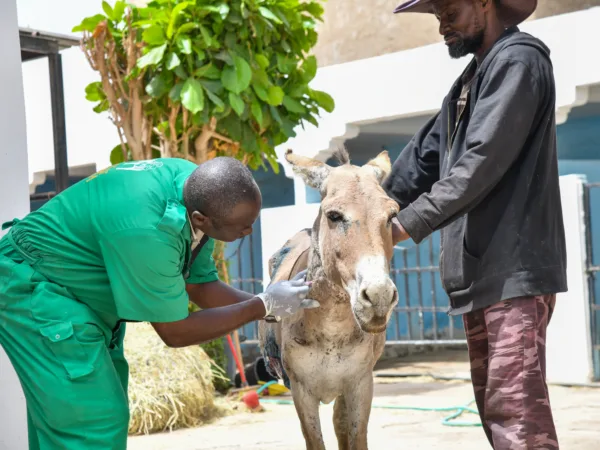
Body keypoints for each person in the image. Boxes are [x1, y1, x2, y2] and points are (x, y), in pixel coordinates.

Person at [0, 156, 319, 450]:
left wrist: (275, 310)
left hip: (83, 301)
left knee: (73, 419)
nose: (249, 231)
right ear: (201, 218)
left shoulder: (197, 188)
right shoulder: (148, 231)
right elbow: (174, 332)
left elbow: (200, 285)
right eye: (241, 226)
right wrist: (262, 305)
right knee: (91, 421)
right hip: (37, 291)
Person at [385, 0, 566, 448]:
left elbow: (478, 165)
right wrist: (366, 209)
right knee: (496, 414)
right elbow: (421, 160)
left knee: (517, 419)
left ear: (486, 3)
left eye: (450, 10)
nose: (441, 24)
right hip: (480, 277)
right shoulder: (468, 82)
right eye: (436, 15)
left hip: (513, 273)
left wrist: (398, 228)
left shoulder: (519, 60)